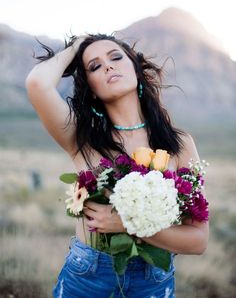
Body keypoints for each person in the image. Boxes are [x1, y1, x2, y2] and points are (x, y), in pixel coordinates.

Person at [26, 33, 209, 298]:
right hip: (88, 278)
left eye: (115, 57)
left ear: (134, 67)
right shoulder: (82, 139)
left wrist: (128, 225)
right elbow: (37, 83)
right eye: (95, 66)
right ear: (91, 87)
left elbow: (198, 241)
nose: (108, 66)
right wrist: (78, 46)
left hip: (153, 282)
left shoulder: (179, 144)